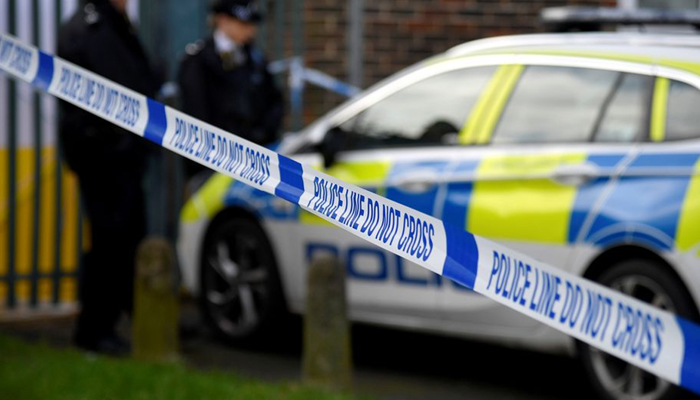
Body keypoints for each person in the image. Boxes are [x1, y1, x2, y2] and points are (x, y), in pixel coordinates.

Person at [58, 0, 161, 354]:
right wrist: (119, 144)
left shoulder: (115, 22)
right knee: (108, 244)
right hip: (104, 157)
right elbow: (106, 92)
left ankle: (131, 319)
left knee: (129, 240)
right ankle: (95, 328)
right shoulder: (90, 28)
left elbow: (135, 79)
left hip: (124, 157)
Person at [178, 0, 283, 178]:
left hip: (252, 161)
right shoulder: (199, 61)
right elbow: (195, 114)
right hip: (211, 162)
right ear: (223, 20)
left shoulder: (255, 59)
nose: (250, 30)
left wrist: (262, 135)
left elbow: (273, 101)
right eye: (243, 23)